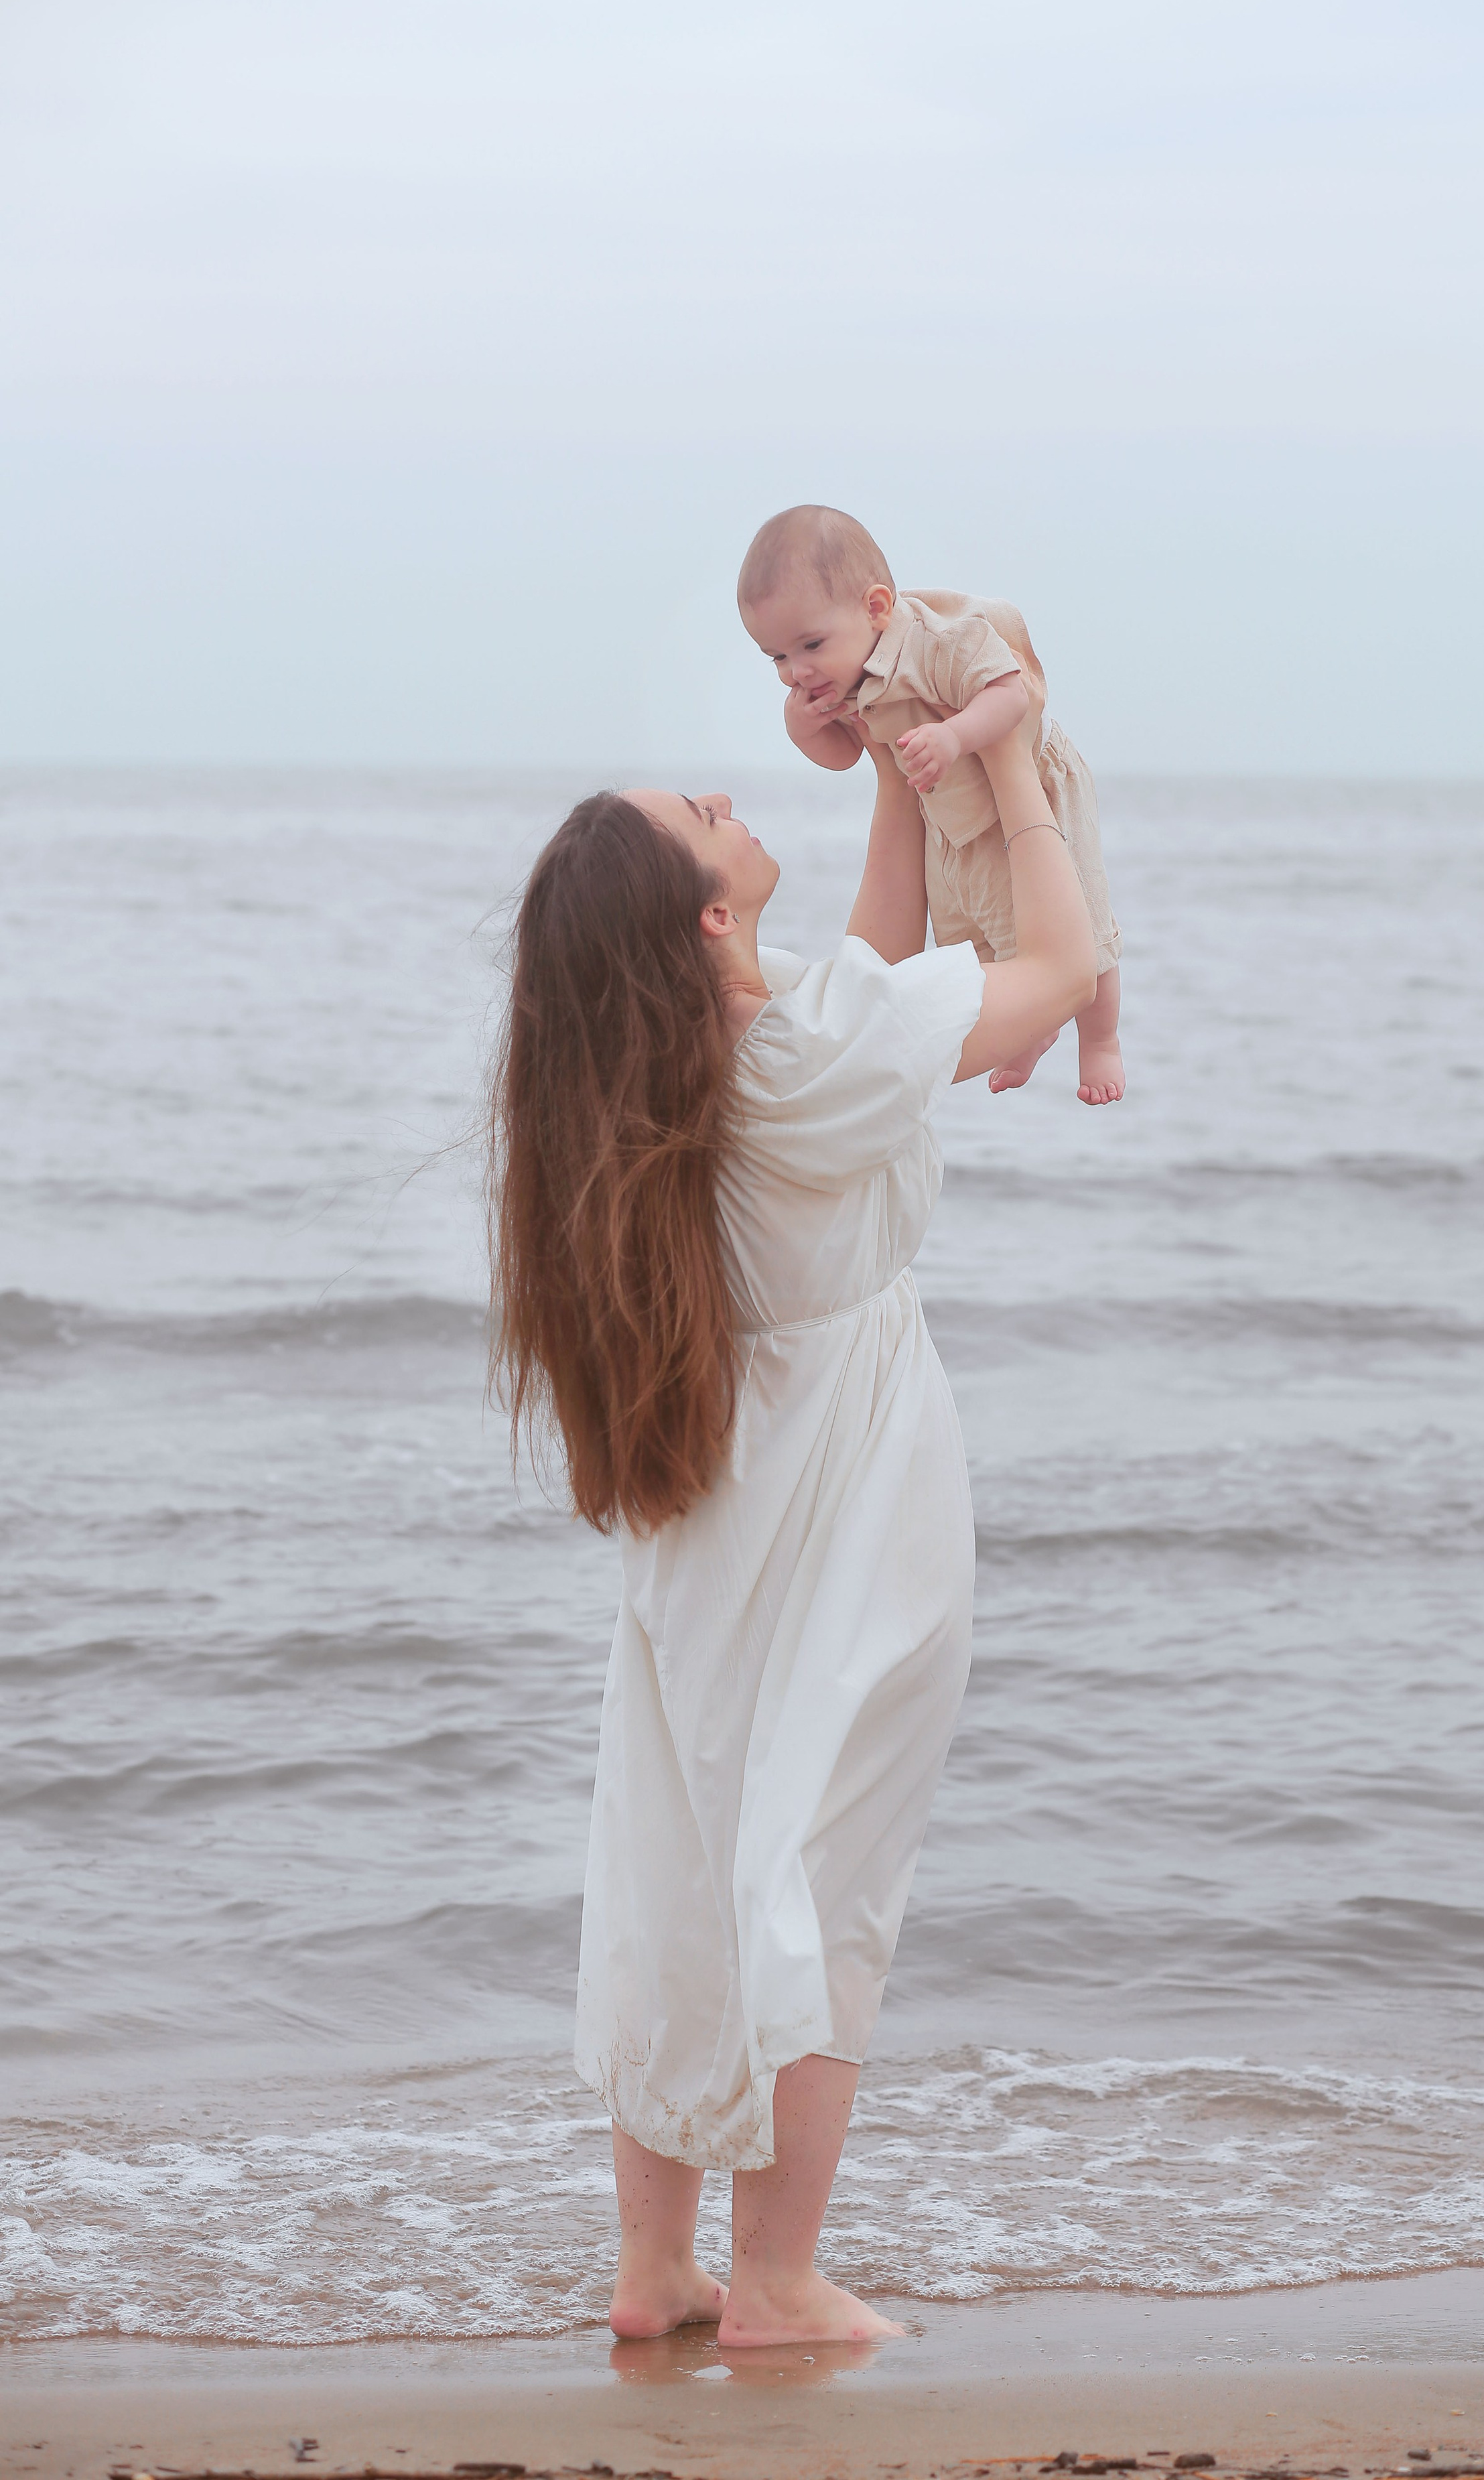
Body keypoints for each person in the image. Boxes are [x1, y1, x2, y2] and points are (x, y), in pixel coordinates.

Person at [488, 722, 1096, 2346]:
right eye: (696, 814)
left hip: (710, 1499)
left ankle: (655, 2268)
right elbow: (1060, 962)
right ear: (702, 917)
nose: (721, 795)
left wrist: (899, 776)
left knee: (683, 1857)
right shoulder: (808, 1063)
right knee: (822, 1866)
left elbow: (865, 974)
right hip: (848, 1487)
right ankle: (774, 2279)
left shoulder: (669, 1083)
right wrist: (1012, 767)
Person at [738, 502, 1125, 1104]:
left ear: (876, 608)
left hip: (1028, 790)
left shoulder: (939, 643)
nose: (797, 671)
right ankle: (1023, 1028)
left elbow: (1011, 694)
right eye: (778, 658)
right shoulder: (843, 674)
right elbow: (848, 755)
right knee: (971, 941)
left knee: (1081, 925)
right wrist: (803, 729)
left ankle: (1100, 1042)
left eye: (810, 645)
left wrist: (954, 736)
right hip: (950, 816)